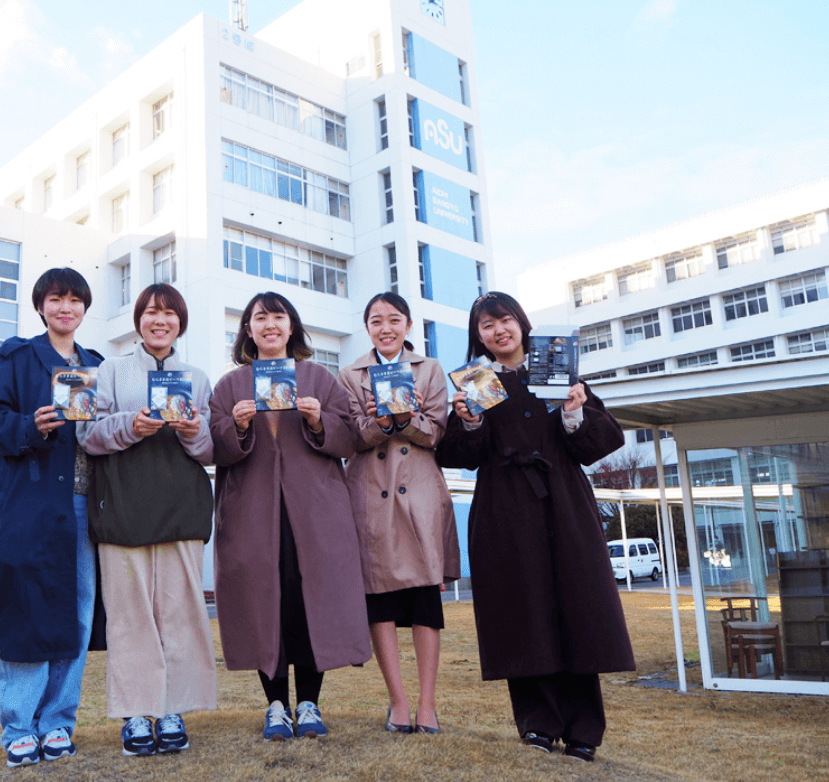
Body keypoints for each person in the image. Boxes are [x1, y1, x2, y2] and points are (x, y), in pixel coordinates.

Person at [434, 291, 634, 763]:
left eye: (504, 320)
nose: (498, 331)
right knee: (520, 613)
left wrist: (573, 412)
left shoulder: (558, 369)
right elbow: (458, 456)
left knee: (578, 611)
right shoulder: (478, 380)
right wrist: (469, 422)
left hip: (564, 503)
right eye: (487, 325)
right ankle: (537, 725)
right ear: (477, 334)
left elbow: (602, 441)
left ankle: (585, 729)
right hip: (504, 508)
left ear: (522, 323)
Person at [0, 267, 106, 768]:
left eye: (74, 300)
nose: (66, 308)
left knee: (79, 613)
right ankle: (20, 727)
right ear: (41, 306)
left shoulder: (97, 365)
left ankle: (59, 722)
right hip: (30, 504)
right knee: (25, 611)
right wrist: (29, 425)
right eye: (56, 299)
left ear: (85, 308)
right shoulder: (16, 356)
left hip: (86, 506)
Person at [210, 291, 371, 742]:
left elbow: (350, 438)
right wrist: (236, 428)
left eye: (278, 317)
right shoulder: (230, 386)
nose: (270, 325)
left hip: (315, 516)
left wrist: (320, 421)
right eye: (260, 318)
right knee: (265, 606)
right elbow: (213, 448)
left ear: (292, 326)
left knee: (308, 604)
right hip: (252, 516)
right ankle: (276, 705)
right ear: (248, 330)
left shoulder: (318, 377)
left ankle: (310, 703)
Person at [77, 283, 217, 757]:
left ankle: (174, 707)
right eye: (152, 312)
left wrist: (195, 431)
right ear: (137, 320)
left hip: (182, 506)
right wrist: (129, 426)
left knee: (179, 613)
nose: (161, 321)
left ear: (181, 322)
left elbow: (213, 451)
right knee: (129, 616)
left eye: (170, 313)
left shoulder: (197, 377)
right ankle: (137, 713)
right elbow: (87, 434)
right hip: (122, 506)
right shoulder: (110, 370)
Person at [338, 292, 460, 735]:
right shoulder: (349, 374)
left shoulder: (430, 370)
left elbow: (437, 432)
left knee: (427, 598)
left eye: (394, 320)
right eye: (375, 321)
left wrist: (407, 419)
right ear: (366, 327)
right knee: (380, 598)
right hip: (372, 493)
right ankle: (398, 702)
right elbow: (351, 436)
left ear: (408, 325)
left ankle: (427, 704)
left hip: (420, 493)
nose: (385, 328)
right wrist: (379, 423)